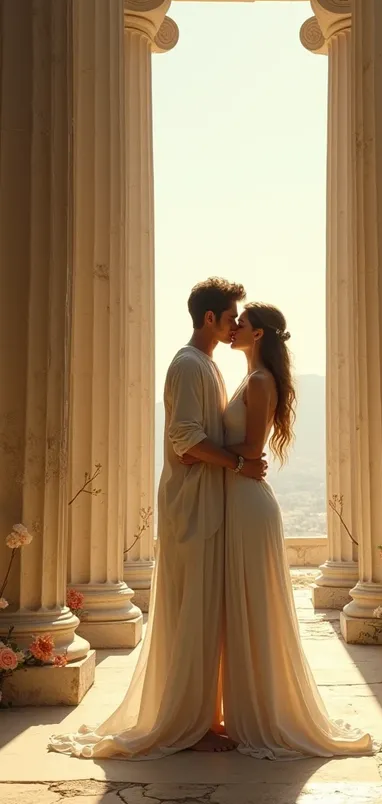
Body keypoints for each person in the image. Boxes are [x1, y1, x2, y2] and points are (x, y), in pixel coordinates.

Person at [48, 278, 267, 759]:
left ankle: (204, 717)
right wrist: (238, 464)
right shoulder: (189, 365)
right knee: (190, 616)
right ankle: (188, 723)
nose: (235, 326)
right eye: (231, 318)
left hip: (206, 505)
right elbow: (185, 442)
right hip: (191, 509)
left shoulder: (207, 365)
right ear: (209, 318)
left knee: (203, 617)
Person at [213, 302, 381, 758]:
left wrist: (199, 446)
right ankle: (243, 708)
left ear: (260, 334)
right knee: (240, 604)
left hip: (249, 503)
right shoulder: (250, 379)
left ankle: (261, 714)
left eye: (242, 324)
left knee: (254, 606)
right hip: (238, 496)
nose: (234, 328)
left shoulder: (261, 382)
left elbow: (251, 447)